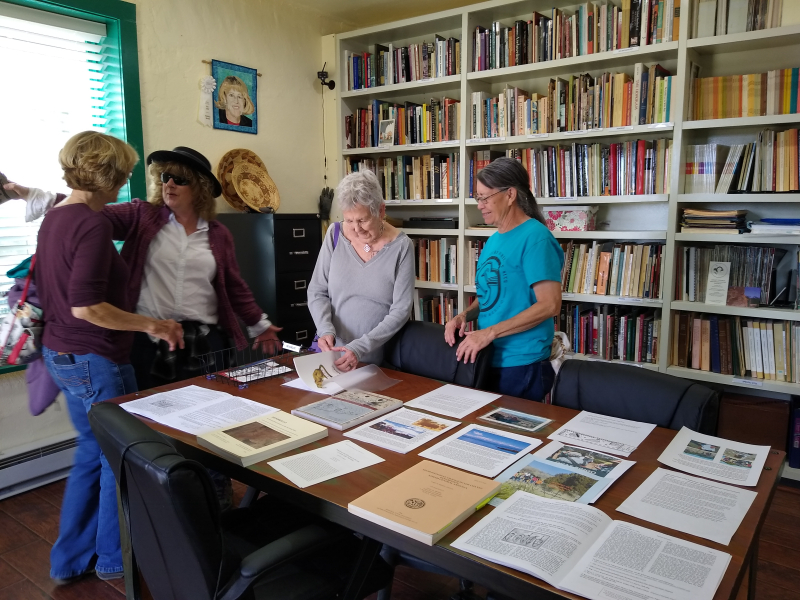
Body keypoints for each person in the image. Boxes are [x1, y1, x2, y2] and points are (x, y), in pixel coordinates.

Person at [35, 131, 184, 584]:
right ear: (109, 175)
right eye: (124, 173)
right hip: (94, 359)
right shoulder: (93, 224)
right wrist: (153, 325)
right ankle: (114, 557)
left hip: (61, 354)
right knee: (118, 460)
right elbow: (88, 307)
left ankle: (68, 560)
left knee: (91, 454)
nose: (127, 181)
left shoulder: (56, 217)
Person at [10, 146, 282, 390]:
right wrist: (36, 196)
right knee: (148, 416)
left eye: (180, 179)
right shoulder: (142, 215)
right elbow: (86, 209)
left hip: (202, 343)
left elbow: (234, 286)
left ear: (199, 188)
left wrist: (260, 324)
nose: (169, 184)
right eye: (165, 177)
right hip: (147, 341)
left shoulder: (218, 234)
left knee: (209, 412)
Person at [444, 157, 563, 402]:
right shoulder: (493, 240)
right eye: (477, 198)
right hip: (488, 357)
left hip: (522, 363)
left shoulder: (536, 238)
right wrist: (464, 315)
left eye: (485, 198)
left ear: (510, 194)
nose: (480, 205)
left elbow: (550, 305)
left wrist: (489, 333)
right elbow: (490, 296)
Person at [308, 170, 414, 371]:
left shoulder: (402, 246)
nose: (356, 229)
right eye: (349, 220)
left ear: (381, 211)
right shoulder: (335, 234)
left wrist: (359, 347)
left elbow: (401, 310)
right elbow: (317, 291)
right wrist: (324, 329)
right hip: (330, 354)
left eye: (362, 220)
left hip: (373, 358)